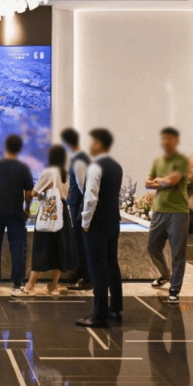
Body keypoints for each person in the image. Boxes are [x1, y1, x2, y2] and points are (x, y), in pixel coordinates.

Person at [76, 128, 123, 328]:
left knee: (97, 269)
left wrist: (85, 223)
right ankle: (115, 308)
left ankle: (99, 314)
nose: (89, 146)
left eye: (92, 142)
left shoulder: (96, 166)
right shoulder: (116, 166)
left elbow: (91, 197)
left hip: (97, 225)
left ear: (99, 144)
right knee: (112, 265)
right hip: (113, 222)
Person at [19, 146, 77, 296]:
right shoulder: (65, 173)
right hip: (63, 213)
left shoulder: (49, 172)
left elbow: (34, 192)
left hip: (49, 211)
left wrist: (41, 195)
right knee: (59, 249)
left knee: (42, 247)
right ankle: (53, 286)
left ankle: (30, 286)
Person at [0, 135, 34, 294]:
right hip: (16, 213)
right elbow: (29, 192)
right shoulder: (24, 168)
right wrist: (27, 208)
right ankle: (17, 283)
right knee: (17, 248)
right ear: (19, 149)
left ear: (5, 147)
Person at [145, 127, 190, 304]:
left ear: (176, 141)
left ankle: (175, 288)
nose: (166, 142)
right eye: (163, 138)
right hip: (158, 211)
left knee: (178, 253)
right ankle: (165, 275)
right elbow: (147, 183)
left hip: (178, 213)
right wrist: (161, 181)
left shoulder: (182, 161)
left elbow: (172, 181)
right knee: (152, 247)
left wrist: (158, 180)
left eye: (169, 139)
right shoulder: (157, 161)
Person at [61, 128, 92, 291]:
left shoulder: (79, 160)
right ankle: (79, 272)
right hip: (77, 204)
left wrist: (83, 209)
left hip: (79, 205)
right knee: (77, 241)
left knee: (81, 241)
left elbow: (82, 185)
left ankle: (86, 277)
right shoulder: (79, 157)